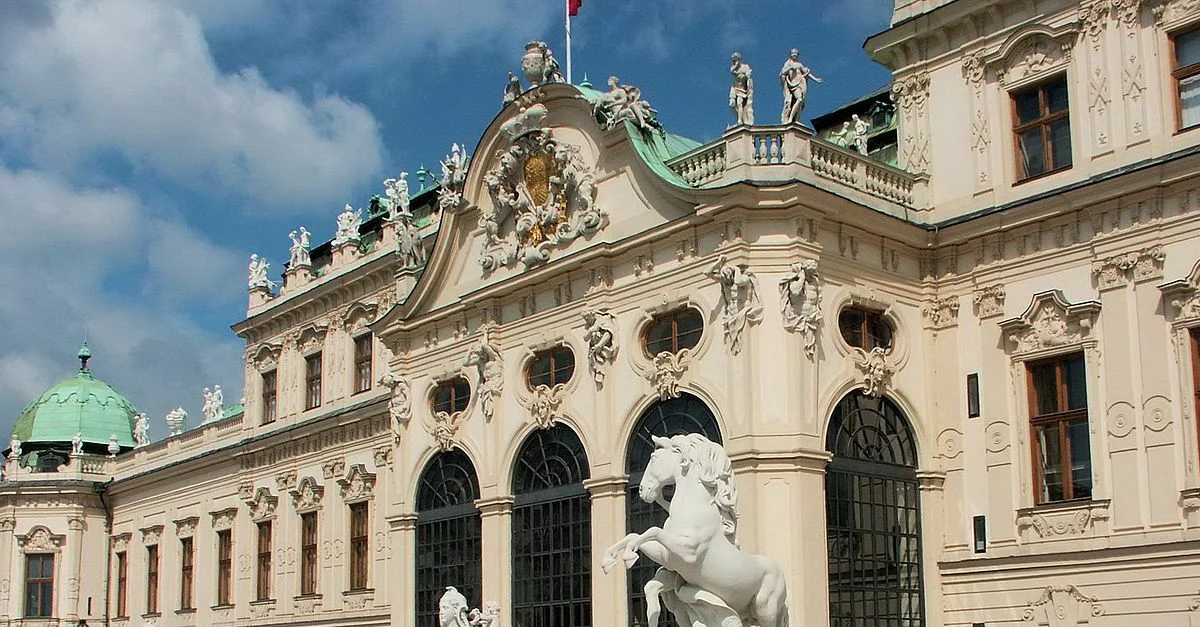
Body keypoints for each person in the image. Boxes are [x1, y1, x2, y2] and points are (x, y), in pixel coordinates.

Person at [779, 48, 822, 124]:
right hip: (793, 84)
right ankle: (791, 119)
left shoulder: (799, 64)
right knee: (799, 99)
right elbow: (782, 73)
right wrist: (790, 68)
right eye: (793, 53)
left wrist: (815, 79)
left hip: (801, 83)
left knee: (801, 102)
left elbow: (806, 73)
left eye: (796, 53)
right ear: (790, 54)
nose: (794, 54)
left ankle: (796, 119)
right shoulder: (788, 63)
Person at [729, 52, 754, 126]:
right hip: (734, 88)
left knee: (739, 103)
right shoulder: (733, 69)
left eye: (735, 60)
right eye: (733, 60)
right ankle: (741, 117)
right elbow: (733, 71)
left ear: (738, 59)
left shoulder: (745, 67)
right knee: (732, 105)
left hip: (742, 89)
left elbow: (749, 78)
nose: (734, 62)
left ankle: (740, 120)